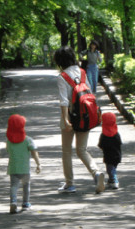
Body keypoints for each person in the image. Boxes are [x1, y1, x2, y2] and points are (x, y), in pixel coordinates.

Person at [54, 45, 107, 195]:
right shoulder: (82, 72)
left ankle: (70, 184)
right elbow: (89, 92)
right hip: (85, 116)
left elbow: (64, 101)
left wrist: (65, 119)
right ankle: (96, 173)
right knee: (81, 150)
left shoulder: (62, 77)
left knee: (66, 151)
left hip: (70, 115)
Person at [6, 114, 41, 214]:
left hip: (13, 168)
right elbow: (34, 152)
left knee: (13, 186)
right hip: (25, 169)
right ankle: (25, 203)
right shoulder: (28, 140)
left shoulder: (9, 141)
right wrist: (38, 164)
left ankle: (13, 201)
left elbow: (8, 151)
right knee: (26, 186)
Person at [97, 112, 123, 189]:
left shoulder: (104, 135)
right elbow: (119, 143)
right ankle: (110, 181)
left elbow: (101, 145)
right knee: (113, 169)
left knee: (110, 170)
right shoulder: (116, 133)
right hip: (117, 155)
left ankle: (114, 181)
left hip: (108, 156)